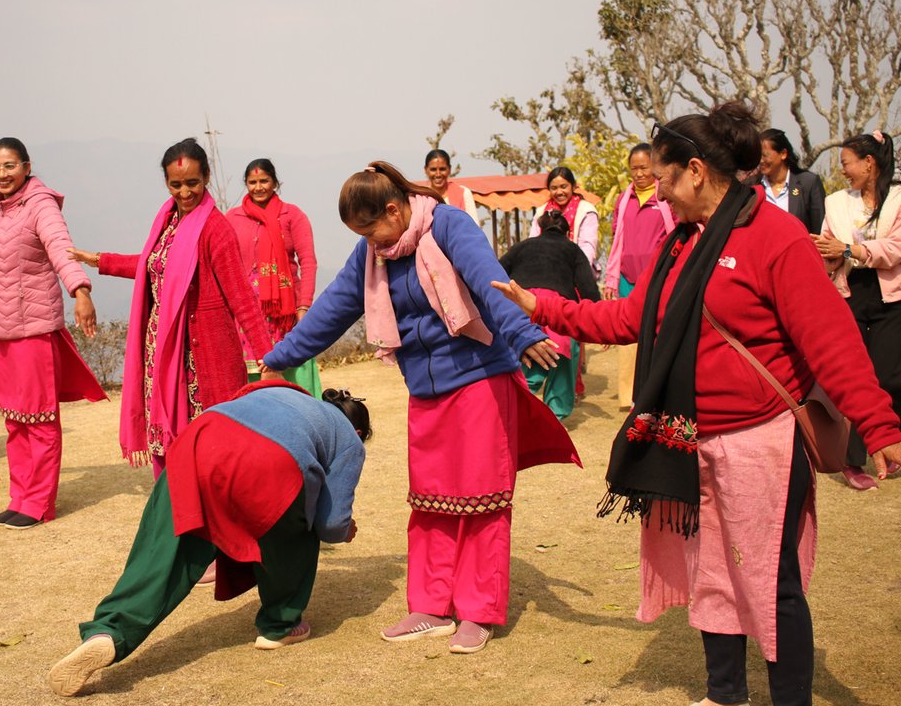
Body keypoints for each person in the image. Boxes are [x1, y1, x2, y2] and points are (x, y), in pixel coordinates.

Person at [494, 102, 901, 706]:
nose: (656, 194)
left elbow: (831, 341)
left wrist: (882, 430)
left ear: (696, 171)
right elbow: (631, 316)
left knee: (772, 581)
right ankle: (725, 692)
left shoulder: (774, 237)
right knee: (712, 572)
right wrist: (543, 308)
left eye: (662, 178)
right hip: (692, 440)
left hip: (763, 442)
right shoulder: (681, 243)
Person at [261, 161, 580, 654]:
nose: (368, 241)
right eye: (359, 234)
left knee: (481, 500)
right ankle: (430, 607)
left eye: (370, 228)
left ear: (394, 209)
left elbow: (488, 282)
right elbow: (331, 310)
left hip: (479, 380)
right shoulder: (374, 252)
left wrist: (520, 333)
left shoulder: (448, 225)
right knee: (430, 500)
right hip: (425, 391)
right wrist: (279, 358)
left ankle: (477, 611)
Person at [47, 383, 370, 697]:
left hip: (199, 439)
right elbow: (330, 524)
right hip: (269, 461)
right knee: (297, 528)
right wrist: (345, 529)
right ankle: (280, 625)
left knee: (165, 550)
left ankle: (110, 631)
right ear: (358, 432)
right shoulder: (349, 441)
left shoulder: (283, 392)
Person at [67, 137, 273, 475]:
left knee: (210, 443)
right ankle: (174, 511)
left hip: (201, 353)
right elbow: (155, 264)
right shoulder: (167, 220)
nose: (185, 192)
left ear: (206, 177)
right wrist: (102, 260)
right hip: (163, 348)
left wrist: (269, 358)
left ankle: (204, 516)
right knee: (166, 439)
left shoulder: (214, 229)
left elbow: (241, 297)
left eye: (192, 183)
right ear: (166, 183)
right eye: (176, 184)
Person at [0, 138, 106, 529]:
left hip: (34, 331)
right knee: (15, 421)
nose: (2, 175)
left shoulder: (41, 205)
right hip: (0, 330)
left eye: (9, 166)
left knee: (40, 420)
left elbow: (61, 248)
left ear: (26, 167)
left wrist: (80, 292)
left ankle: (39, 503)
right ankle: (20, 497)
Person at [813, 131, 901, 490]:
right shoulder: (836, 203)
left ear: (869, 162)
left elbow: (895, 250)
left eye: (846, 163)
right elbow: (827, 247)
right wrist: (830, 256)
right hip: (849, 293)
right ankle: (853, 460)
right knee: (854, 377)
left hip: (891, 295)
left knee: (890, 375)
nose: (843, 170)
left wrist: (848, 249)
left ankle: (893, 439)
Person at [225, 158, 321, 396]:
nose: (259, 187)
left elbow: (307, 261)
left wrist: (304, 306)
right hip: (246, 315)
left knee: (292, 369)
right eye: (252, 182)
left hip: (286, 316)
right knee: (250, 379)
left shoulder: (292, 215)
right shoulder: (233, 219)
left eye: (264, 181)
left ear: (275, 182)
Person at [499, 210, 600, 420]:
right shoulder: (572, 249)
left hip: (522, 307)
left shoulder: (522, 246)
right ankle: (556, 417)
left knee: (527, 364)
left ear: (541, 229)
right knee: (560, 362)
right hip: (558, 310)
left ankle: (510, 410)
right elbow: (588, 287)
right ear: (567, 232)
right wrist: (599, 322)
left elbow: (497, 270)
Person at [602, 143, 675, 410]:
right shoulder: (624, 199)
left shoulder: (665, 197)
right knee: (628, 335)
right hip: (626, 277)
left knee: (657, 332)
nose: (639, 173)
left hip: (658, 276)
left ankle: (655, 390)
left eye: (644, 167)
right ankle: (628, 397)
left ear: (654, 167)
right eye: (634, 169)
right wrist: (611, 278)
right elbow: (615, 236)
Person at [528, 166, 600, 269]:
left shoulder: (586, 211)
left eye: (563, 186)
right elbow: (533, 244)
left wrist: (580, 271)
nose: (559, 192)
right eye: (554, 188)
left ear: (573, 186)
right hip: (545, 271)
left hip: (576, 270)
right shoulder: (541, 213)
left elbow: (587, 246)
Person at [759, 129, 826, 234]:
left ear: (783, 154)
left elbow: (820, 229)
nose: (760, 161)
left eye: (765, 155)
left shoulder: (808, 183)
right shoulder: (752, 187)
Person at [423, 149, 478, 220]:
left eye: (442, 169)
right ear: (425, 170)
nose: (438, 174)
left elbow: (473, 226)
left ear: (449, 169)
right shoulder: (422, 197)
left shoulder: (463, 193)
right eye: (433, 169)